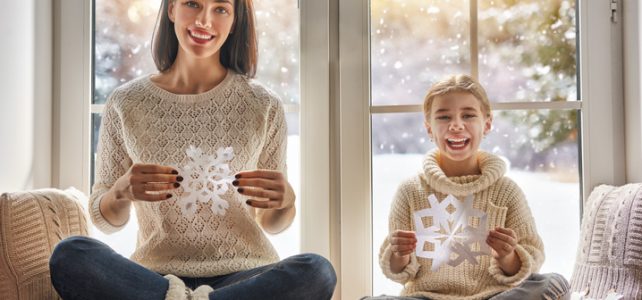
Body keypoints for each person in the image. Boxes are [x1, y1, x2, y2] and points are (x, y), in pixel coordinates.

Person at [49, 0, 336, 299]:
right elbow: (105, 221)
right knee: (71, 254)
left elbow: (271, 222)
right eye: (192, 4)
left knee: (317, 271)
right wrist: (121, 191)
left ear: (235, 20)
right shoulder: (126, 102)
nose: (204, 20)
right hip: (154, 277)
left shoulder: (262, 104)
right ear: (171, 8)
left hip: (244, 276)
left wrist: (286, 202)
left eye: (220, 9)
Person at [365, 75, 569, 300]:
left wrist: (507, 256)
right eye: (443, 117)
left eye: (468, 115)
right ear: (429, 129)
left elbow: (531, 260)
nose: (456, 125)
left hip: (493, 296)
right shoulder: (411, 191)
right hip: (427, 296)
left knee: (552, 284)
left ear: (487, 124)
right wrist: (399, 254)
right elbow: (400, 273)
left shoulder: (506, 191)